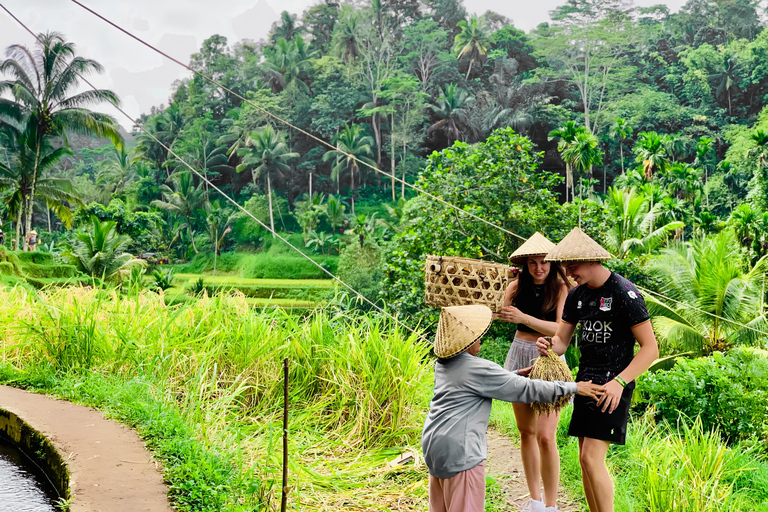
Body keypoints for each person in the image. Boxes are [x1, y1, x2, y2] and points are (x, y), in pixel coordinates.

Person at [422, 304, 605, 512]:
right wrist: (573, 387)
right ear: (467, 340)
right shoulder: (477, 368)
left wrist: (516, 374)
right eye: (478, 334)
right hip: (460, 452)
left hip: (434, 446)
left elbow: (483, 384)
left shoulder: (443, 364)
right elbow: (526, 390)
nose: (481, 338)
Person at [536, 228, 659, 512]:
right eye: (565, 267)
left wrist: (619, 382)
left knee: (592, 458)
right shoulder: (576, 295)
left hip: (613, 384)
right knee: (583, 459)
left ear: (592, 260)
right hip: (585, 383)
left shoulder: (625, 293)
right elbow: (562, 343)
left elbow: (650, 349)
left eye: (573, 266)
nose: (569, 273)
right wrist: (548, 346)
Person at [497, 232, 572, 512]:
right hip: (518, 352)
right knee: (526, 431)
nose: (539, 268)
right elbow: (498, 313)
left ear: (552, 264)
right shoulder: (515, 287)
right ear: (525, 264)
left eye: (544, 262)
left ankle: (552, 505)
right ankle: (535, 501)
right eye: (532, 263)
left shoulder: (562, 289)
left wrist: (525, 318)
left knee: (545, 435)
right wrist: (500, 286)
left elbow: (561, 330)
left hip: (548, 358)